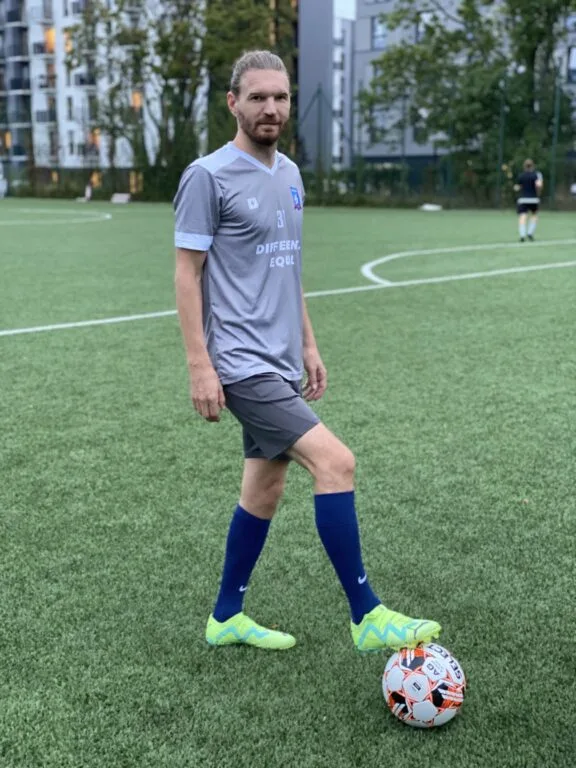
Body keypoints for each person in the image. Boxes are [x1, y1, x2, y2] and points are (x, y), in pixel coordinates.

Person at [173, 50, 441, 653]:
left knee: (264, 489)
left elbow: (288, 270)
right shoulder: (207, 176)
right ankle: (366, 612)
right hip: (240, 363)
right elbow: (187, 274)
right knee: (335, 462)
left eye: (281, 97)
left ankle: (225, 617)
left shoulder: (290, 174)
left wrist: (309, 345)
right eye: (258, 97)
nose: (271, 108)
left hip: (280, 359)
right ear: (233, 102)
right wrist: (200, 364)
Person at [514, 159, 543, 242]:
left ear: (524, 166)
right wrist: (538, 193)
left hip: (523, 199)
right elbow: (539, 185)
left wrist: (518, 188)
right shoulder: (535, 175)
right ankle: (530, 233)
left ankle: (522, 235)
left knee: (523, 217)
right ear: (532, 166)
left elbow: (517, 187)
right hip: (533, 199)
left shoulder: (521, 176)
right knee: (534, 215)